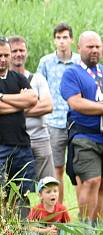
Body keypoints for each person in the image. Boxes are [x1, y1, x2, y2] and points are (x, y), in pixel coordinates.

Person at [61, 31, 103, 222]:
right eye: (90, 47)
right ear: (79, 48)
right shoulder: (72, 73)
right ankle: (85, 226)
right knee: (91, 181)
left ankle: (96, 226)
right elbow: (76, 103)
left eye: (97, 46)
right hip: (84, 135)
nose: (94, 50)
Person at [36, 23, 80, 204]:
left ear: (71, 39)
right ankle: (57, 211)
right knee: (57, 170)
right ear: (54, 40)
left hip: (76, 121)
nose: (62, 42)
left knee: (79, 170)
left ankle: (82, 212)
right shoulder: (45, 62)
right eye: (58, 38)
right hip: (53, 122)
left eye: (65, 37)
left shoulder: (79, 61)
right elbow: (38, 89)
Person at [9, 36, 55, 184]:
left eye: (21, 50)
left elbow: (48, 106)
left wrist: (14, 109)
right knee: (18, 187)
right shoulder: (5, 82)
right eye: (14, 51)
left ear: (27, 52)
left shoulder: (38, 79)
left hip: (40, 138)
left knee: (48, 184)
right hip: (14, 141)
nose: (18, 54)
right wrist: (29, 104)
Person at [0, 37, 38, 216]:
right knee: (1, 195)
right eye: (0, 55)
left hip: (22, 146)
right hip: (1, 147)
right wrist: (19, 102)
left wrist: (2, 97)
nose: (3, 59)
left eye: (6, 55)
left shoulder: (19, 78)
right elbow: (25, 102)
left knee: (23, 194)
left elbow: (32, 100)